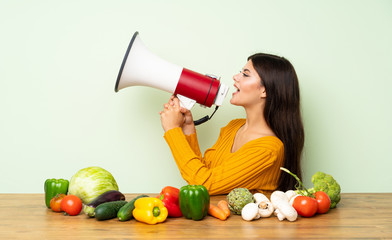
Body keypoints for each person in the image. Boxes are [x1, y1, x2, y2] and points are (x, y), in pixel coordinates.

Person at [159, 53, 304, 195]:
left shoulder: (269, 149)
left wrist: (173, 130)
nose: (235, 77)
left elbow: (203, 184)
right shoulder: (233, 127)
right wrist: (187, 128)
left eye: (245, 74)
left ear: (265, 90)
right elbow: (204, 172)